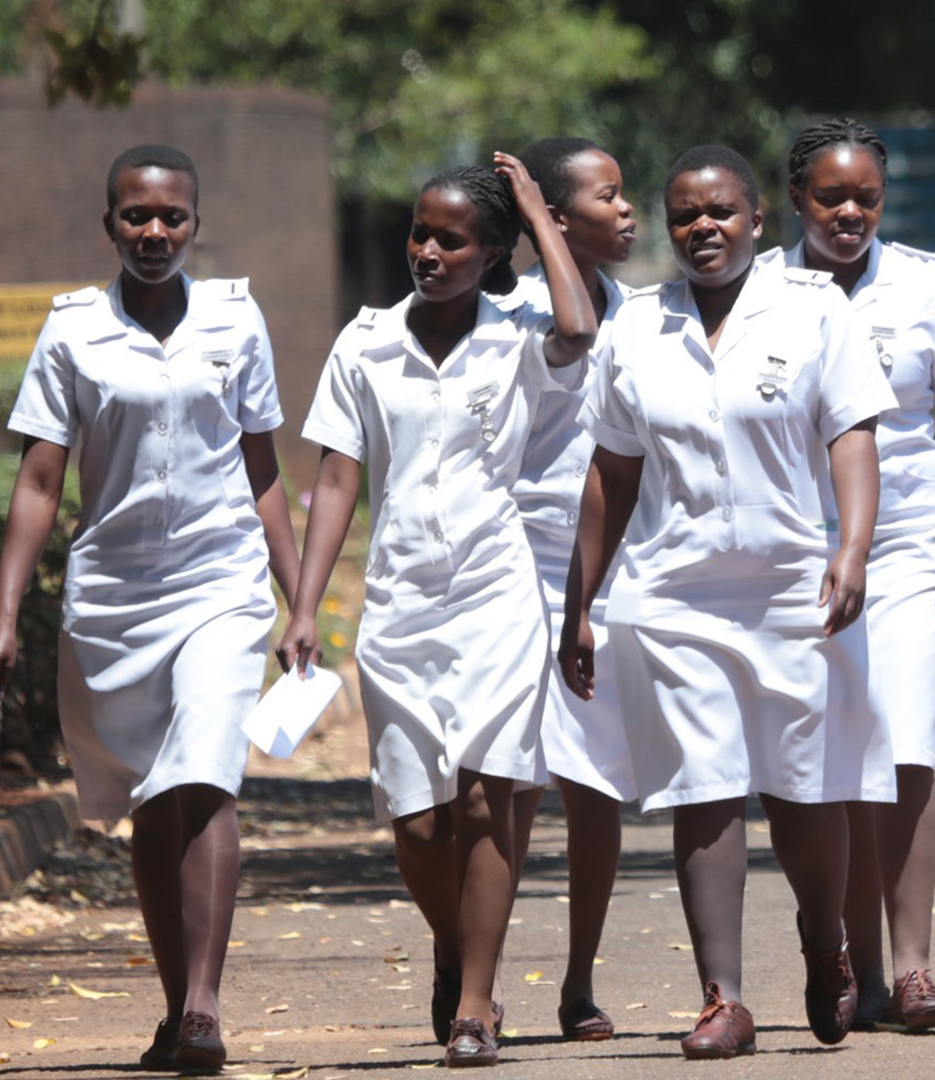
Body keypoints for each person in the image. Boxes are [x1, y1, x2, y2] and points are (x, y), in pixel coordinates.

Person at [558, 145, 896, 1060]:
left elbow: (853, 437)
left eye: (722, 213)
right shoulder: (636, 330)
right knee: (702, 790)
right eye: (684, 217)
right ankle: (724, 999)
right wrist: (577, 603)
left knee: (802, 794)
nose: (702, 229)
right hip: (675, 595)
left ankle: (825, 944)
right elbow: (610, 477)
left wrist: (852, 549)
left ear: (757, 220)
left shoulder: (815, 311)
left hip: (795, 589)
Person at [0, 144, 301, 1073]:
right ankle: (174, 1006)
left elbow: (261, 462)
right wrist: (4, 617)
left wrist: (298, 597)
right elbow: (41, 477)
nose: (155, 233)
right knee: (152, 806)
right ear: (108, 222)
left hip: (219, 583)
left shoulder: (236, 319)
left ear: (196, 222)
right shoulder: (72, 331)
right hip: (112, 594)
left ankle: (203, 1009)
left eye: (172, 217)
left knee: (206, 773)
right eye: (135, 217)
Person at [277, 153, 598, 1067]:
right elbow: (339, 476)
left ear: (492, 251)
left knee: (490, 797)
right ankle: (458, 948)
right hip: (400, 602)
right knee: (417, 819)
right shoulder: (365, 341)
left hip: (497, 595)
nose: (427, 250)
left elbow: (578, 328)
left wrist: (539, 211)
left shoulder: (520, 331)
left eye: (452, 239)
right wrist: (305, 606)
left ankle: (477, 1002)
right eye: (420, 232)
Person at [774, 118, 935, 1032]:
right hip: (802, 549)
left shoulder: (926, 284)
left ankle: (915, 970)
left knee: (907, 743)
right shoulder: (764, 290)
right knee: (834, 755)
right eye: (831, 197)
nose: (850, 213)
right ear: (795, 199)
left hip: (915, 541)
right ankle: (856, 969)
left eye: (867, 198)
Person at [493, 135, 640, 1042]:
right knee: (509, 787)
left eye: (626, 195)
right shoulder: (502, 310)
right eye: (607, 196)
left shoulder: (649, 312)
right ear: (551, 214)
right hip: (514, 568)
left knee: (594, 786)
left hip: (609, 573)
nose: (626, 210)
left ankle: (578, 981)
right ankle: (475, 978)